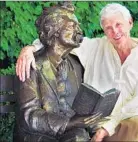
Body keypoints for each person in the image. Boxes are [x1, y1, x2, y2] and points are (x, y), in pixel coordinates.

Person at [16, 2, 138, 142]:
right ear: (104, 31)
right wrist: (29, 49)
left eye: (119, 25)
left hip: (128, 121)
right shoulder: (95, 48)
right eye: (108, 28)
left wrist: (107, 128)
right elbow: (54, 40)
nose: (115, 32)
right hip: (94, 124)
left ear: (130, 23)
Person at [14, 3, 103, 142]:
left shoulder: (76, 64)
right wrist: (69, 123)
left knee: (79, 138)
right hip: (36, 135)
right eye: (72, 26)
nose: (79, 31)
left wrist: (90, 119)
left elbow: (75, 108)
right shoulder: (30, 64)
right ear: (54, 30)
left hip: (68, 132)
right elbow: (29, 116)